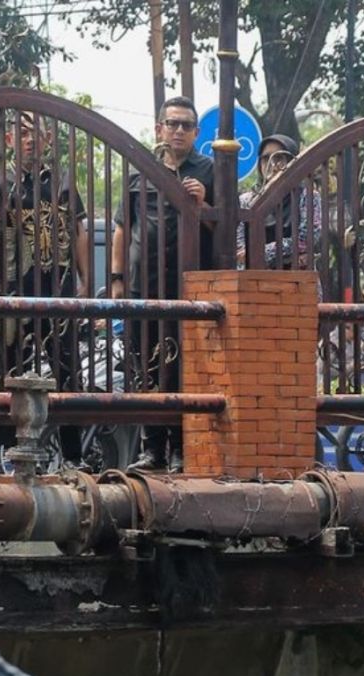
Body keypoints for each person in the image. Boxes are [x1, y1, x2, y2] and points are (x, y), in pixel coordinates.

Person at [112, 96, 214, 473]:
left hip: (187, 291)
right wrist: (118, 279)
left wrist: (203, 205)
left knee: (184, 370)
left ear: (196, 133)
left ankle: (179, 450)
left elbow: (225, 230)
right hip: (142, 288)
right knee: (144, 369)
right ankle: (151, 449)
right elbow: (123, 228)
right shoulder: (142, 171)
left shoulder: (209, 170)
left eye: (186, 125)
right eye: (172, 124)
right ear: (159, 128)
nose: (178, 131)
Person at [0, 110, 90, 469]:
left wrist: (85, 280)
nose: (30, 140)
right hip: (15, 293)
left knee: (67, 374)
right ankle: (0, 458)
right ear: (10, 141)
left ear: (47, 141)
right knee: (11, 373)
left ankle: (73, 458)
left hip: (57, 292)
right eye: (22, 134)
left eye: (36, 134)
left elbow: (78, 232)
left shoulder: (60, 182)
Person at [236, 133, 321, 269]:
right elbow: (240, 246)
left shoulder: (307, 196)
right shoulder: (246, 200)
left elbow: (306, 239)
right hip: (256, 278)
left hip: (297, 279)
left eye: (279, 157)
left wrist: (261, 252)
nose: (272, 163)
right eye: (266, 158)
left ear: (292, 161)